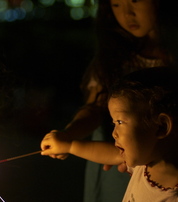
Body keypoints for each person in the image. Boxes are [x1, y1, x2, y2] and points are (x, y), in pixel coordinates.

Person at [41, 0, 178, 201]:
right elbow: (94, 108)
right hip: (123, 164)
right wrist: (68, 138)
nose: (127, 13)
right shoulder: (113, 56)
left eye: (135, 1)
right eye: (115, 4)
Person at [41, 67, 178, 201]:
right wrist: (69, 145)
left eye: (120, 122)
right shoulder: (145, 162)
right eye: (114, 123)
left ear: (161, 127)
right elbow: (110, 153)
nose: (114, 134)